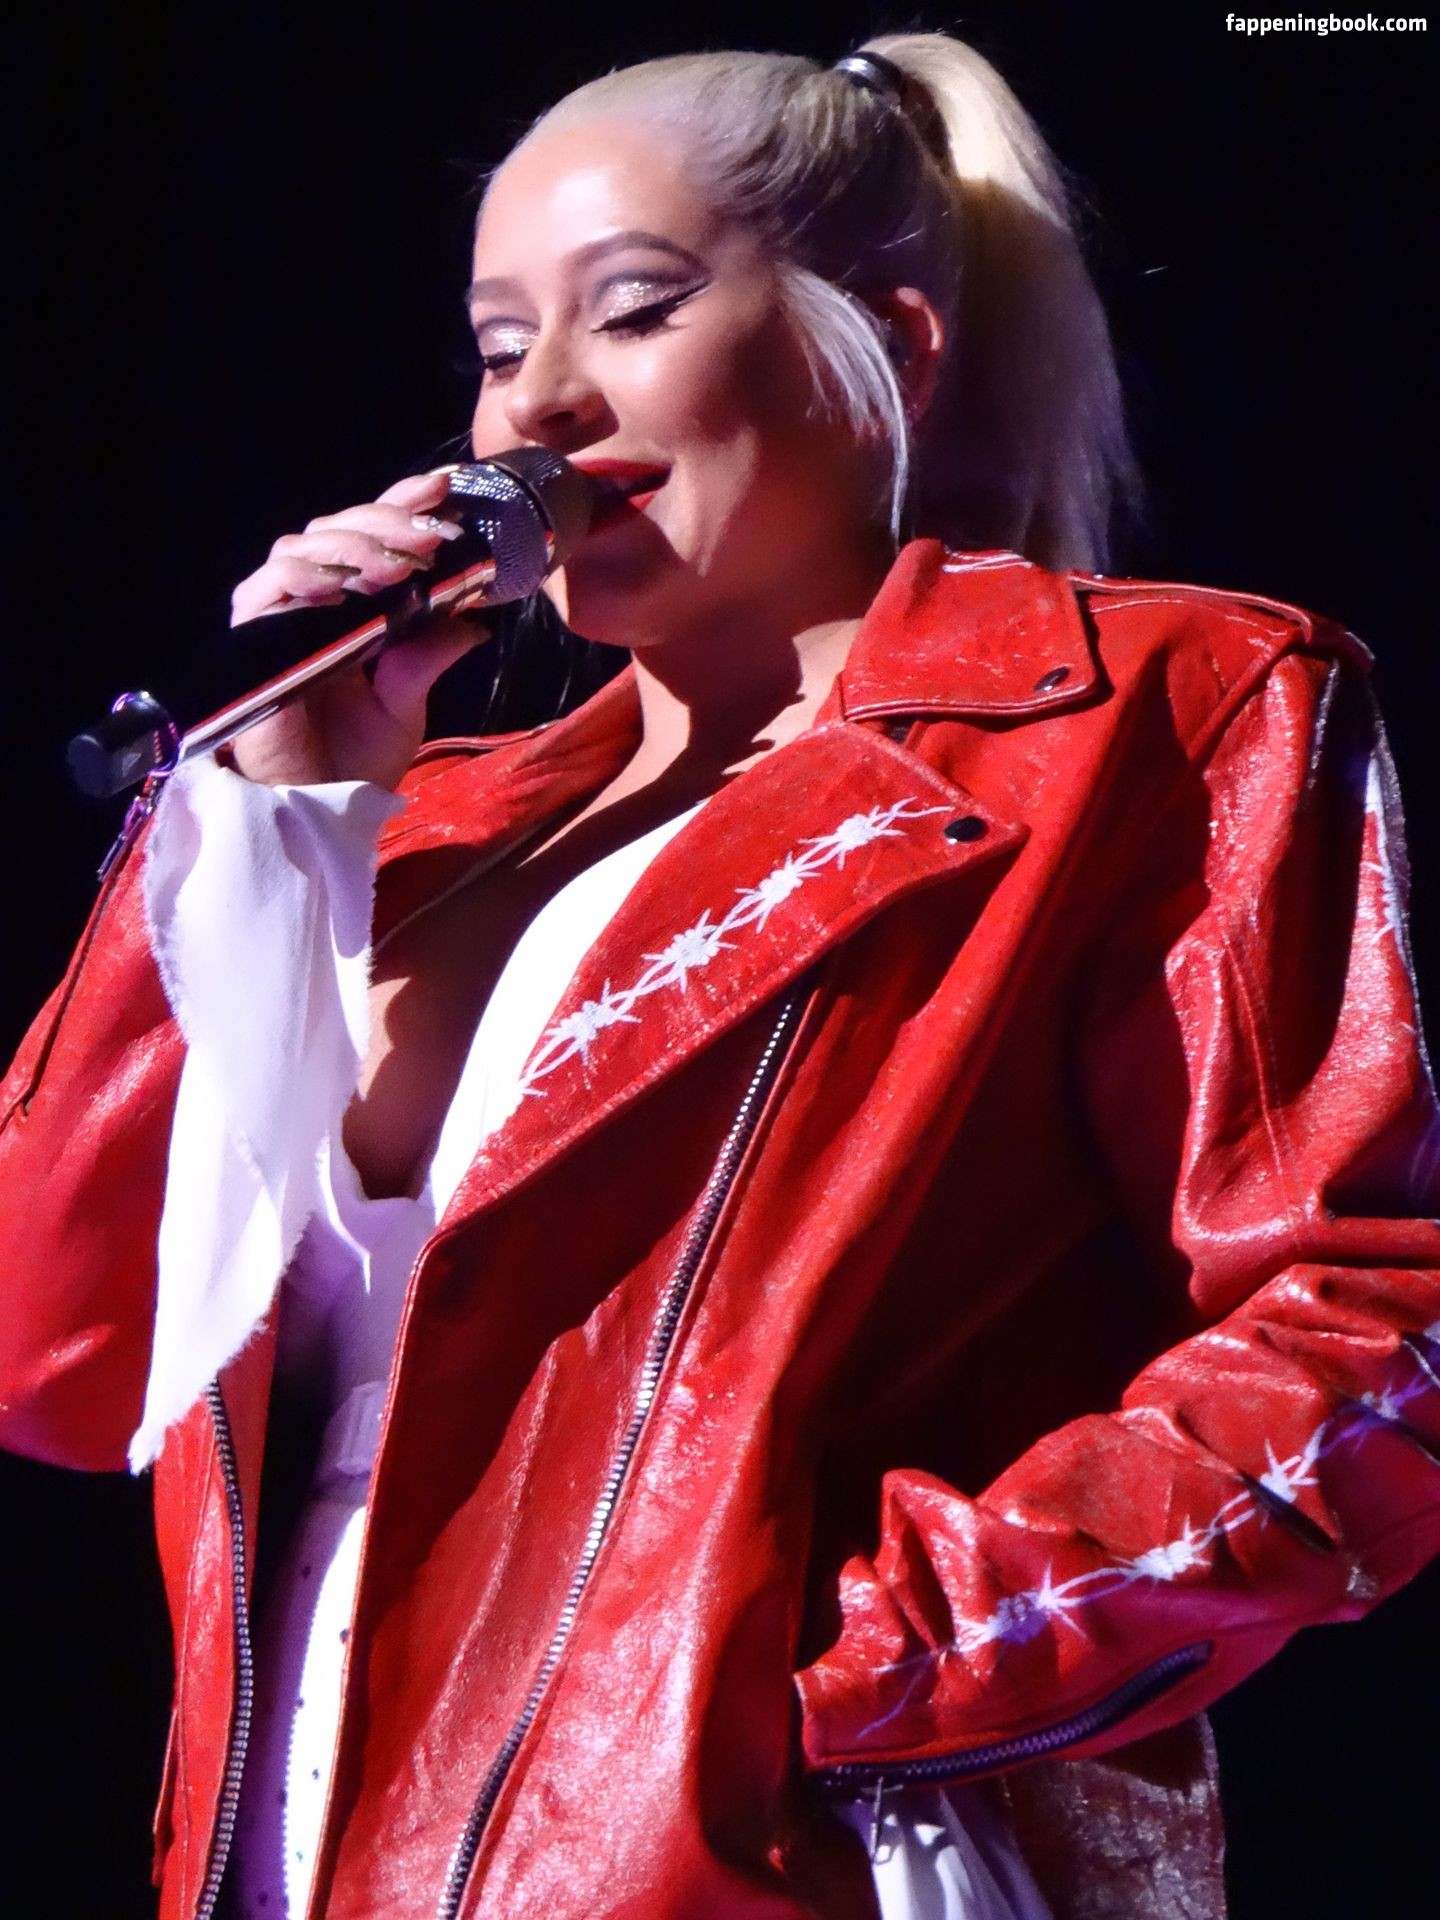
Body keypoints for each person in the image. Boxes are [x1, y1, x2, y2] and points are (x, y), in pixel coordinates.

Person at [2, 30, 1438, 1920]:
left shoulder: (1141, 717)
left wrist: (840, 1673)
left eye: (635, 309)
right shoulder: (420, 826)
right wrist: (267, 823)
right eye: (498, 342)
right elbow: (56, 1355)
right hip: (300, 1847)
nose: (538, 403)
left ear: (888, 347)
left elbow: (1375, 1320)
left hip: (770, 1855)